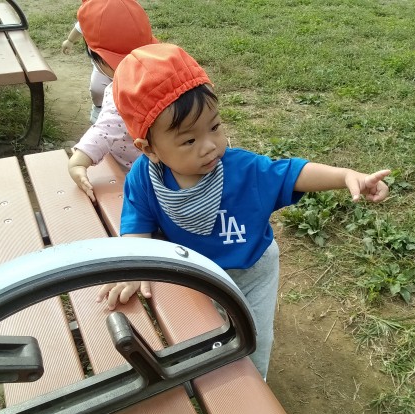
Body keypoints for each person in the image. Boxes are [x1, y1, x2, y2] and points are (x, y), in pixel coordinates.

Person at [98, 43, 391, 379]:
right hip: (200, 276)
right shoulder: (145, 178)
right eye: (189, 141)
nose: (210, 146)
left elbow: (291, 173)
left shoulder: (241, 169)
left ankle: (255, 386)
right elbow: (137, 225)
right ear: (149, 149)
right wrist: (133, 267)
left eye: (214, 127)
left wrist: (346, 176)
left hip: (252, 270)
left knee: (252, 339)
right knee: (208, 337)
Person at [67, 0, 157, 202]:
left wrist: (78, 162)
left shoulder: (122, 91)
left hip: (138, 177)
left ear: (98, 58)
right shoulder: (164, 74)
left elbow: (104, 131)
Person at [61, 21, 111, 124]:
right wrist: (70, 40)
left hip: (128, 63)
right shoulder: (95, 15)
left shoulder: (130, 15)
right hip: (102, 63)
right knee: (97, 89)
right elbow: (82, 24)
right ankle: (99, 108)